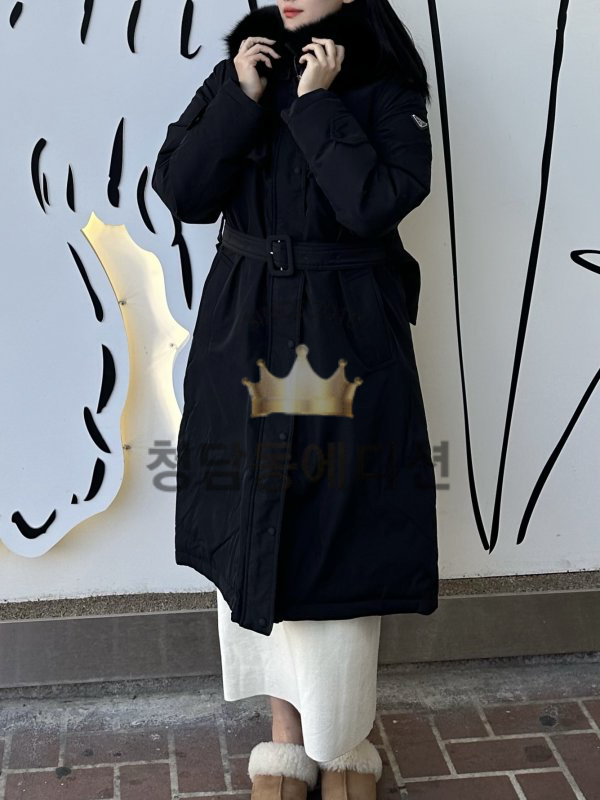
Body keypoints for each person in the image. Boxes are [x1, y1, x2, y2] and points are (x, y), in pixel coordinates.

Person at [152, 1, 438, 798]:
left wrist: (316, 107)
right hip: (243, 329)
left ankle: (344, 744)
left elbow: (375, 203)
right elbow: (181, 190)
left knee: (338, 537)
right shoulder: (246, 64)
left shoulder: (384, 79)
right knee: (257, 534)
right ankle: (285, 741)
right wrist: (241, 96)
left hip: (344, 334)